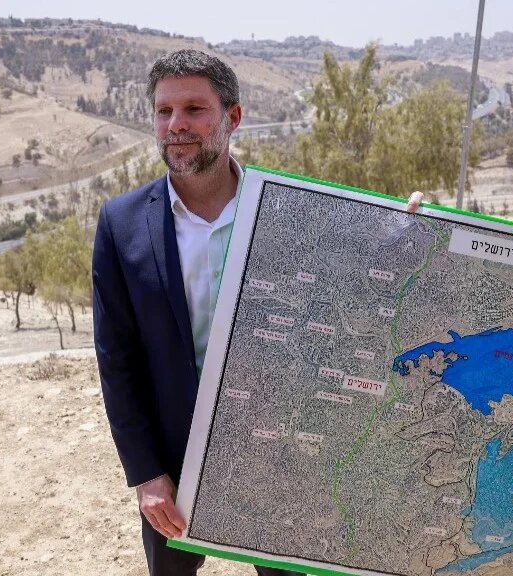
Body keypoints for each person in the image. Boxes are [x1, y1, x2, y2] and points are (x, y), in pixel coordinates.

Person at [92, 49, 423, 576]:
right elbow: (117, 359)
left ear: (233, 117)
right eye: (164, 111)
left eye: (195, 110)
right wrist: (146, 473)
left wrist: (411, 234)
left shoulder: (290, 209)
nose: (176, 125)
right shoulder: (120, 223)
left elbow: (357, 275)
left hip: (279, 452)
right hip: (173, 461)